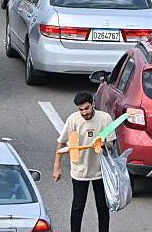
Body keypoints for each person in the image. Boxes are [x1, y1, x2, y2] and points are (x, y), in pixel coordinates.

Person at [54, 91, 115, 232]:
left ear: (93, 104)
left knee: (102, 206)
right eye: (80, 109)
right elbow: (61, 143)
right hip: (79, 170)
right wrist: (57, 167)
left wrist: (102, 142)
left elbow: (111, 145)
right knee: (77, 206)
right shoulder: (73, 120)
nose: (84, 112)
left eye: (87, 108)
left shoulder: (105, 118)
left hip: (100, 171)